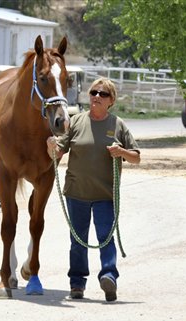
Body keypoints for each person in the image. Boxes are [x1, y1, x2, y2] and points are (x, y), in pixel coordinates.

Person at [47, 77, 141, 302]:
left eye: (103, 94)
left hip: (105, 195)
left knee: (105, 238)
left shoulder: (117, 125)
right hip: (76, 192)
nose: (97, 97)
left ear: (111, 101)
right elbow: (59, 152)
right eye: (94, 92)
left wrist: (122, 152)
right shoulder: (76, 121)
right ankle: (77, 283)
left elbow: (136, 157)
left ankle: (109, 277)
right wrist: (51, 145)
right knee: (77, 241)